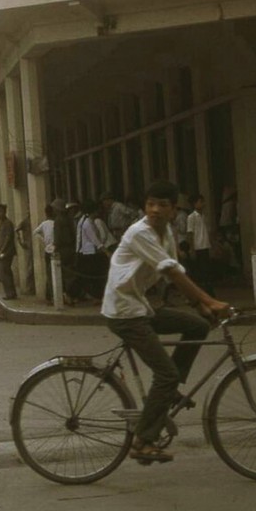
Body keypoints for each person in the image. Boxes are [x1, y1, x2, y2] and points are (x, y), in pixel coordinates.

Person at [102, 180, 231, 464]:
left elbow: (175, 270)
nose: (155, 210)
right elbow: (171, 272)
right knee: (166, 373)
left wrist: (199, 307)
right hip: (124, 313)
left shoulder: (167, 233)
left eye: (162, 205)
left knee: (197, 326)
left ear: (174, 210)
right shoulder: (140, 233)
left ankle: (168, 392)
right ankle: (143, 439)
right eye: (150, 204)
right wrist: (209, 301)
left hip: (141, 307)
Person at [185, 194, 215, 295]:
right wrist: (192, 249)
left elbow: (208, 231)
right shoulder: (191, 217)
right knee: (200, 272)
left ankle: (208, 291)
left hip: (205, 245)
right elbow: (190, 233)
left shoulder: (204, 216)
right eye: (200, 202)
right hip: (198, 246)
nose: (203, 204)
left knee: (207, 271)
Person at [0, 204, 19, 300]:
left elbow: (8, 239)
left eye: (0, 212)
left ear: (4, 212)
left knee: (4, 273)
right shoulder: (2, 223)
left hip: (7, 252)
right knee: (5, 272)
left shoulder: (7, 223)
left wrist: (1, 251)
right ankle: (11, 293)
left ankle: (10, 293)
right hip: (3, 251)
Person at [33, 204, 58, 303]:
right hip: (55, 249)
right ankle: (54, 295)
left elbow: (35, 232)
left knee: (49, 273)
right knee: (55, 273)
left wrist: (44, 240)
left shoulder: (44, 224)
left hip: (47, 249)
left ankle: (50, 296)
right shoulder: (55, 223)